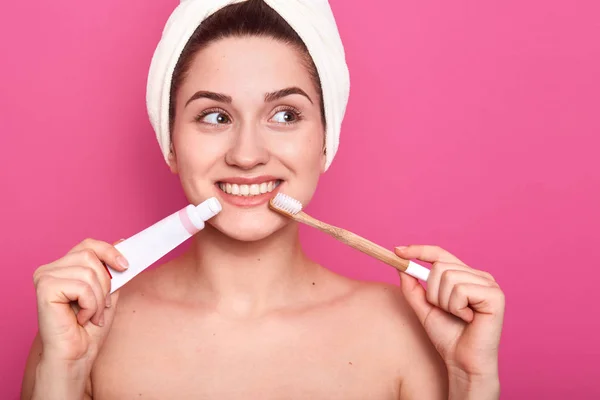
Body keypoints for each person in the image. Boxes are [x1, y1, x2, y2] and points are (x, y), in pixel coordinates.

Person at [20, 1, 505, 399]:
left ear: (325, 140)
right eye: (214, 116)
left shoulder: (405, 333)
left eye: (285, 114)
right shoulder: (86, 329)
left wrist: (473, 383)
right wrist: (60, 379)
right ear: (170, 143)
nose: (247, 155)